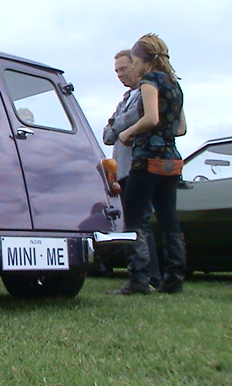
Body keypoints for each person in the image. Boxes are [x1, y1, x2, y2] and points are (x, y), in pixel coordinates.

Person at [108, 34, 186, 295]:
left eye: (134, 61)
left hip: (148, 158)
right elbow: (181, 128)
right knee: (168, 219)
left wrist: (127, 134)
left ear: (141, 60)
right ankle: (174, 278)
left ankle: (139, 279)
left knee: (133, 218)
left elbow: (150, 117)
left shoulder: (150, 81)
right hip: (171, 158)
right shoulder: (175, 85)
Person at [103, 50, 161, 288]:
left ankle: (147, 276)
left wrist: (116, 123)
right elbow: (107, 136)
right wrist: (117, 124)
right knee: (134, 221)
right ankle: (148, 275)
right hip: (123, 169)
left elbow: (129, 119)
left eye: (123, 69)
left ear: (136, 66)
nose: (119, 75)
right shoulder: (125, 99)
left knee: (140, 221)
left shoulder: (144, 95)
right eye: (116, 71)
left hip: (139, 165)